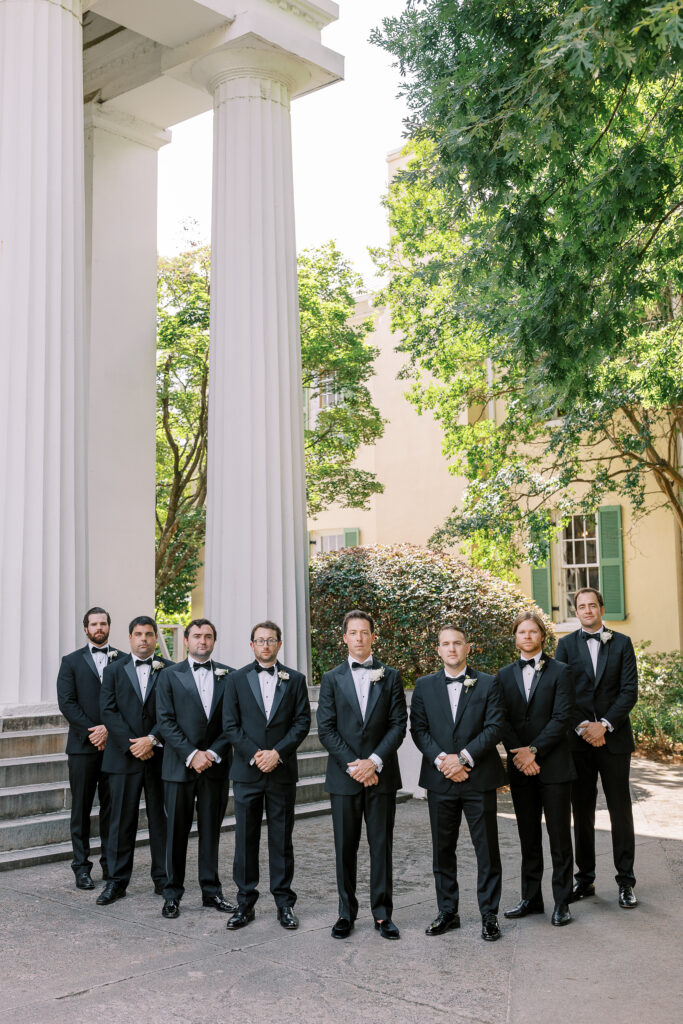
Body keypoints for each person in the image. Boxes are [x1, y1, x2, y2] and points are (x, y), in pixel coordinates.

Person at [410, 624, 506, 942]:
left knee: (487, 850)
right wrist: (444, 761)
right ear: (438, 650)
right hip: (440, 780)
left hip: (478, 778)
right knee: (443, 850)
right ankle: (448, 912)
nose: (451, 648)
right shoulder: (423, 686)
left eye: (457, 643)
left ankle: (489, 915)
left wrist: (462, 759)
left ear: (468, 648)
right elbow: (419, 730)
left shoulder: (489, 683)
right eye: (445, 644)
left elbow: (494, 727)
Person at [317, 610, 407, 940]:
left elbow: (399, 724)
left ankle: (383, 915)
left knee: (381, 846)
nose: (358, 638)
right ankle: (346, 913)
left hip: (381, 776)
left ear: (372, 636)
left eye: (364, 632)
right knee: (345, 848)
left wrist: (374, 762)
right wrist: (355, 765)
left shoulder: (391, 676)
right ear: (344, 637)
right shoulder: (331, 678)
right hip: (345, 777)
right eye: (353, 633)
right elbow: (325, 729)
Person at [222, 620, 311, 931]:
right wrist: (256, 754)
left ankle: (284, 904)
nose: (265, 645)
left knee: (281, 840)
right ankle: (245, 904)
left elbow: (301, 723)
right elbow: (230, 725)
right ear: (252, 645)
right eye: (260, 640)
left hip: (282, 772)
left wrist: (278, 753)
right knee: (245, 839)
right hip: (247, 772)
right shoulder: (235, 680)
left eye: (271, 640)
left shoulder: (296, 680)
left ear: (279, 644)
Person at [555, 587, 639, 909]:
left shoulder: (622, 643)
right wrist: (583, 728)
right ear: (576, 612)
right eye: (581, 606)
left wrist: (602, 725)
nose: (587, 610)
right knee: (583, 811)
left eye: (593, 605)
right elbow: (562, 694)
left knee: (621, 811)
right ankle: (585, 880)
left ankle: (626, 882)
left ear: (602, 608)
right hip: (578, 743)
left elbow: (629, 691)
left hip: (614, 740)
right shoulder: (564, 646)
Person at [497, 612, 576, 927]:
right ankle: (531, 899)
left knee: (558, 837)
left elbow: (562, 718)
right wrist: (520, 755)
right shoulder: (503, 676)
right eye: (521, 632)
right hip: (520, 767)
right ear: (515, 637)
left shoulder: (562, 672)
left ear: (543, 636)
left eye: (533, 632)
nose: (527, 636)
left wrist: (534, 751)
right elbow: (500, 719)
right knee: (528, 836)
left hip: (554, 765)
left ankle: (562, 902)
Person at [156, 618, 236, 919]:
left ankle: (211, 892)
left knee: (210, 832)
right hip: (179, 766)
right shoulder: (168, 675)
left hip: (214, 768)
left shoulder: (231, 676)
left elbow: (232, 723)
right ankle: (172, 893)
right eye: (197, 636)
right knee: (175, 832)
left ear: (214, 641)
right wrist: (192, 754)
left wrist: (212, 753)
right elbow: (165, 720)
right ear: (187, 641)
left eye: (208, 636)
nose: (203, 641)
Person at [97, 615, 173, 905]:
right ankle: (116, 882)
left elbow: (172, 712)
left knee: (161, 820)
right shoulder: (113, 671)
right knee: (120, 821)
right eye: (138, 634)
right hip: (123, 757)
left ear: (155, 638)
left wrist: (151, 739)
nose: (143, 639)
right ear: (130, 638)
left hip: (159, 757)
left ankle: (164, 880)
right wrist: (133, 745)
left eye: (149, 634)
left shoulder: (171, 670)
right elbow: (108, 710)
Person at [56, 607, 121, 889]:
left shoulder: (124, 660)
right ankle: (81, 867)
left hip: (116, 747)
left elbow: (128, 701)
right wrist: (94, 730)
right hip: (83, 746)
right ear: (85, 629)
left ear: (109, 626)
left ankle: (110, 864)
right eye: (93, 624)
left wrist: (110, 728)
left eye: (103, 623)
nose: (98, 628)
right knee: (81, 809)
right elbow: (67, 702)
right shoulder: (70, 661)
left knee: (112, 808)